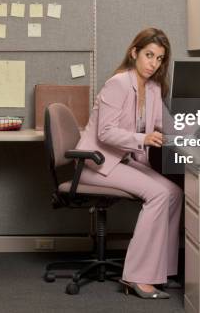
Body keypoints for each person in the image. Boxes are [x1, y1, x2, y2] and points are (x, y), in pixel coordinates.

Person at [76, 27, 183, 299]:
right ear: (134, 52)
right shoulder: (119, 83)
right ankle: (136, 276)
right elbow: (105, 132)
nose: (153, 63)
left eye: (159, 58)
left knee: (174, 193)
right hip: (97, 164)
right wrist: (143, 138)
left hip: (122, 160)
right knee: (158, 194)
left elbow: (165, 125)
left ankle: (163, 271)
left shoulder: (153, 87)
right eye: (149, 55)